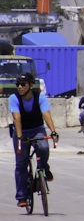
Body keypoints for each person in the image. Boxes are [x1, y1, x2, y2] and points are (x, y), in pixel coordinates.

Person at [9, 73, 58, 208]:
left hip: (37, 129)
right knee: (21, 165)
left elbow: (46, 115)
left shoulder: (40, 97)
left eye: (23, 84)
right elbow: (16, 118)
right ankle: (21, 197)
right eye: (18, 84)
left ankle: (45, 167)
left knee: (43, 148)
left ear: (31, 85)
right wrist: (19, 137)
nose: (20, 87)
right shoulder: (14, 98)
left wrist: (53, 132)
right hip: (21, 131)